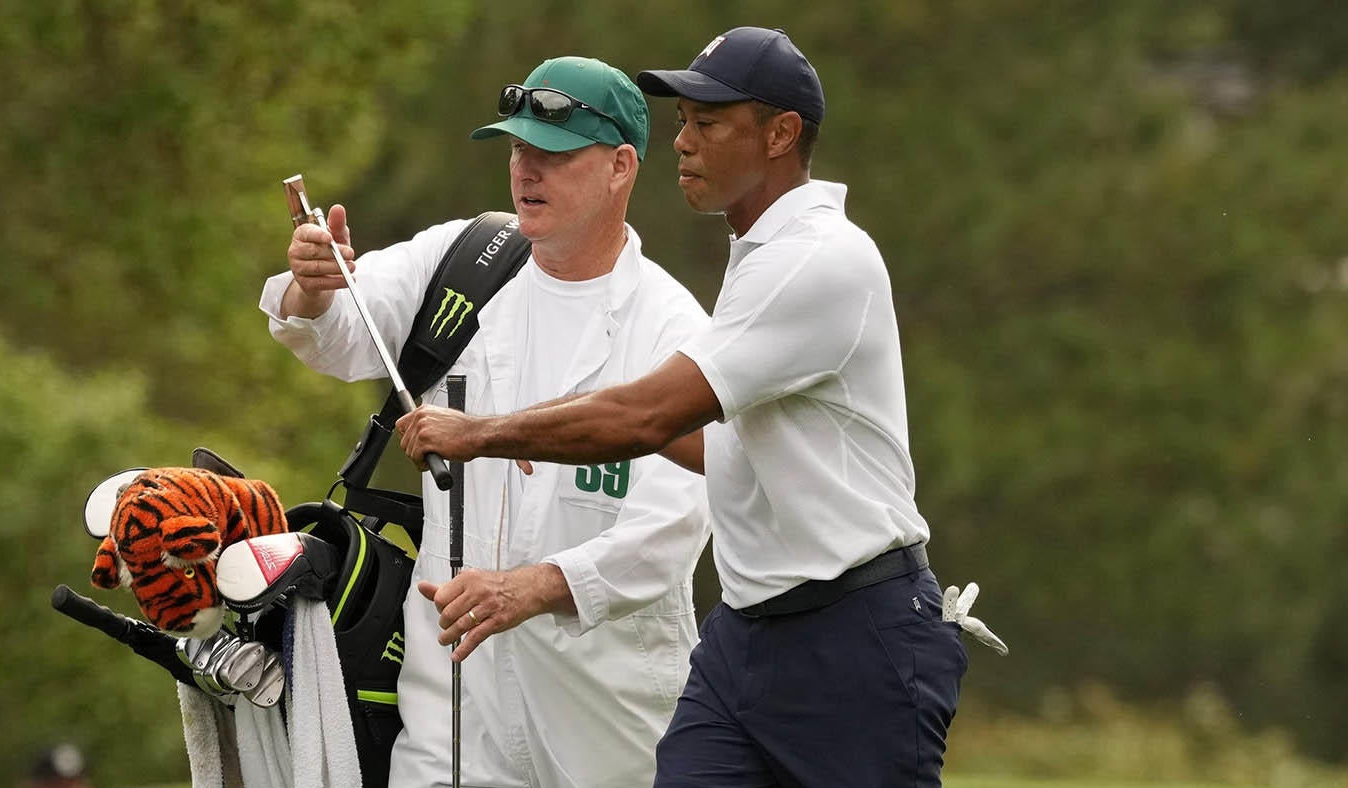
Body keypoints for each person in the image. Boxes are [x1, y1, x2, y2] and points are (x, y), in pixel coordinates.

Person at [398, 27, 970, 787]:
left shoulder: (818, 258)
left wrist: (488, 433)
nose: (683, 143)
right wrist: (549, 420)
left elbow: (647, 418)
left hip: (855, 635)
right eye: (680, 124)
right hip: (745, 639)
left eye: (708, 123)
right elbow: (719, 447)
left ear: (780, 134)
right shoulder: (759, 255)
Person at [260, 56, 711, 788]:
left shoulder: (672, 330)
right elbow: (341, 329)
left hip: (611, 722)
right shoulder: (467, 260)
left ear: (621, 167)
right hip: (453, 713)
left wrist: (530, 586)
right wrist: (313, 287)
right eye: (517, 149)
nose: (527, 172)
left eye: (554, 155)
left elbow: (670, 535)